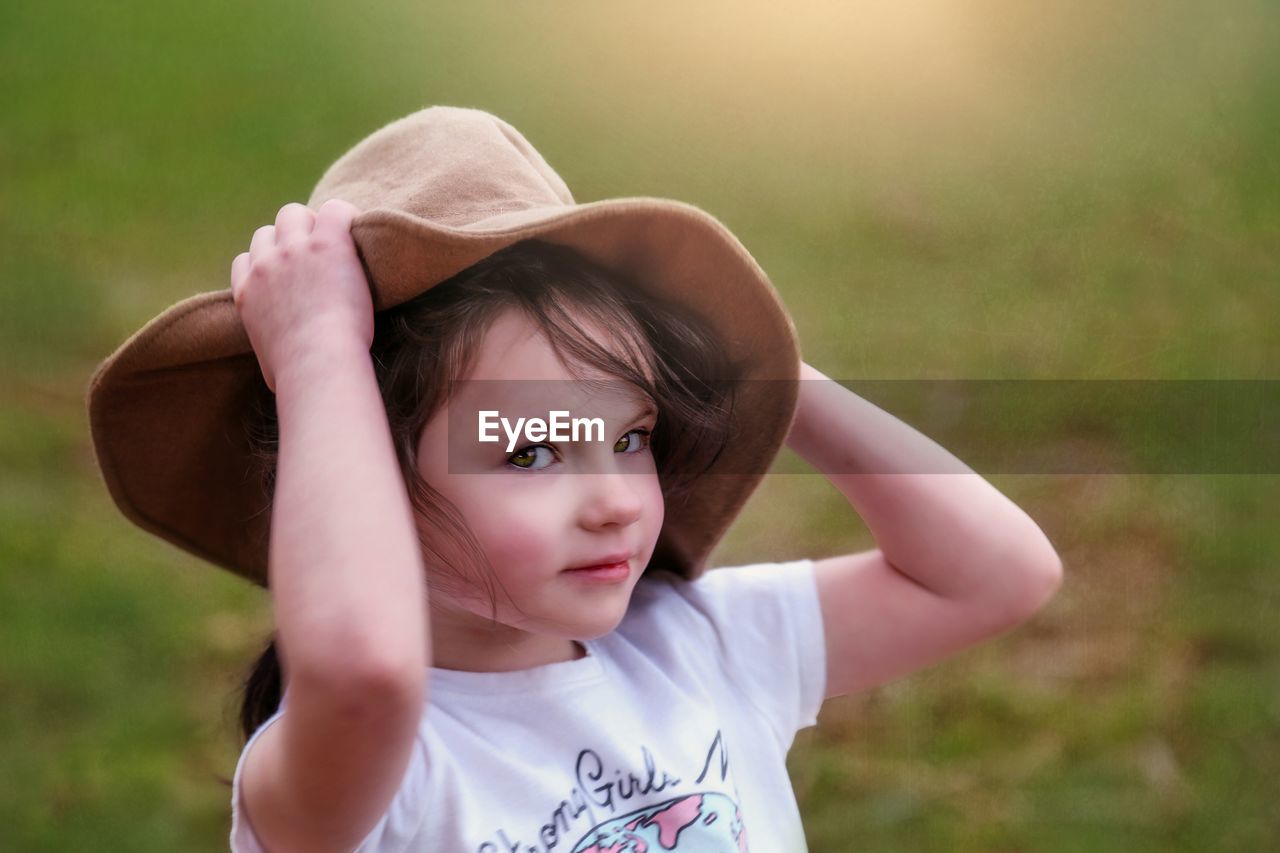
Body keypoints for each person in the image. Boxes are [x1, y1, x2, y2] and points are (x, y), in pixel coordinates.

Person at [87, 107, 1063, 852]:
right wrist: (315, 356)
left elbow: (996, 574)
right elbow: (362, 671)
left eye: (631, 436)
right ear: (365, 471)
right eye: (533, 451)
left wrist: (768, 365)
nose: (613, 499)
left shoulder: (696, 646)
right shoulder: (360, 768)